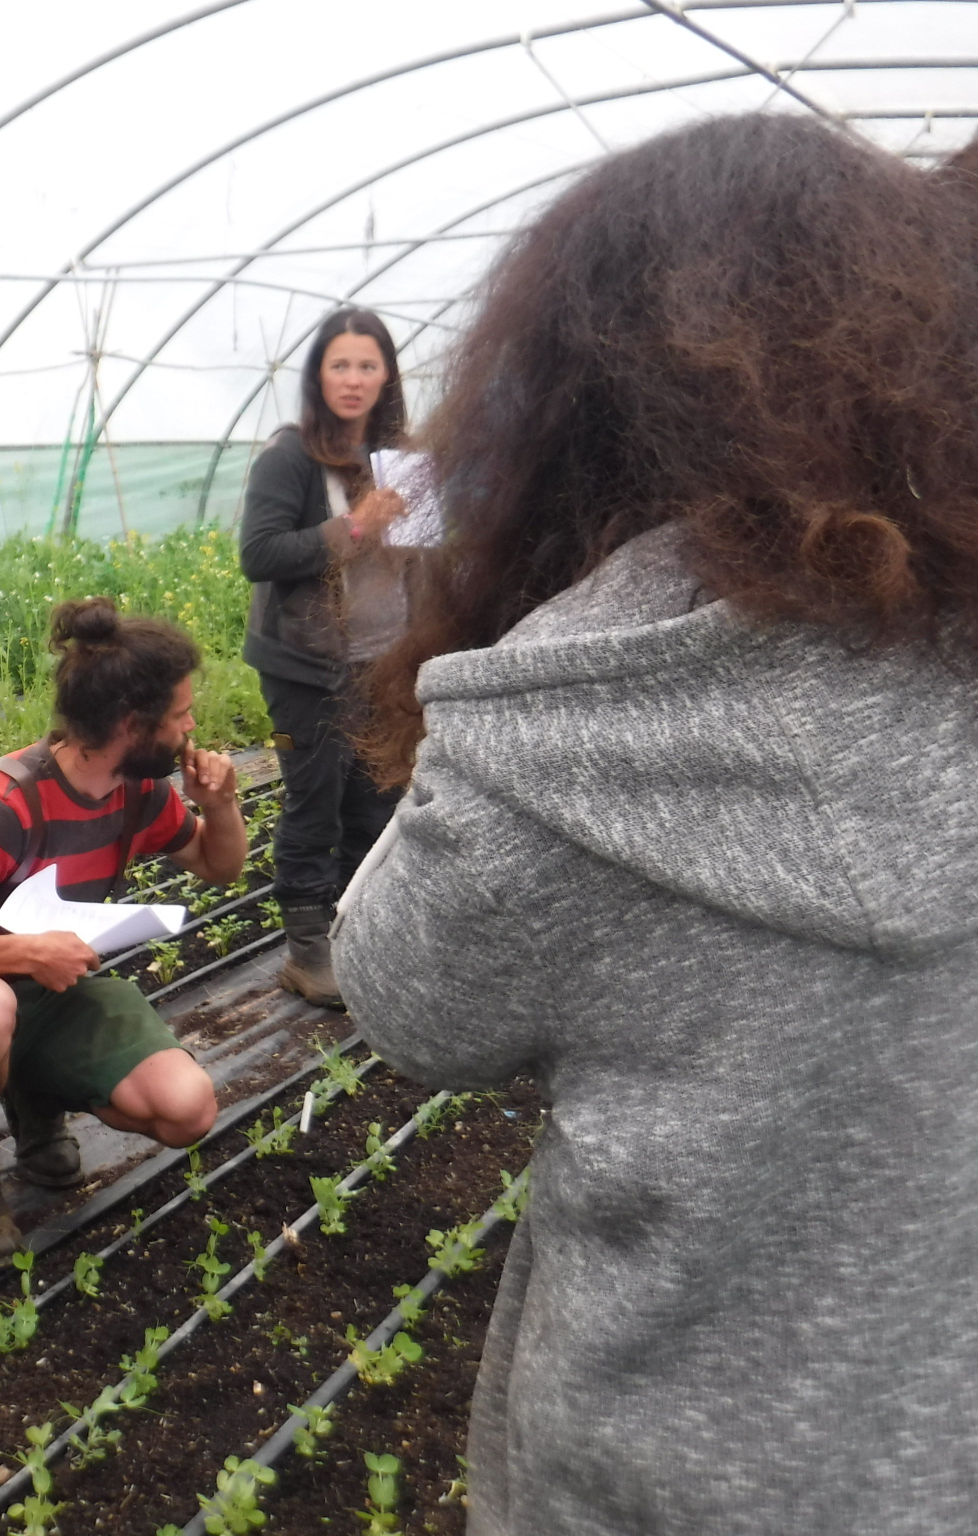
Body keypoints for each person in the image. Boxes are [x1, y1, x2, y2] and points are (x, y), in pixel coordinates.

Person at [337, 114, 978, 1535]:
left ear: (567, 403)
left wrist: (511, 650)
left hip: (662, 1474)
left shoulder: (568, 720)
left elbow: (405, 1001)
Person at [0, 598, 246, 1273]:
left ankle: (33, 1097)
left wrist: (219, 807)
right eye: (181, 715)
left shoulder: (140, 793)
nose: (193, 727)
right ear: (134, 726)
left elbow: (220, 868)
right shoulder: (5, 805)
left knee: (186, 1110)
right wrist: (21, 952)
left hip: (50, 990)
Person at [238, 307, 409, 1010]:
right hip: (307, 664)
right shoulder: (291, 457)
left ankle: (357, 938)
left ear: (387, 374)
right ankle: (308, 953)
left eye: (368, 365)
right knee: (317, 804)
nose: (354, 379)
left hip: (383, 660)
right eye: (340, 364)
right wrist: (360, 524)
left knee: (378, 801)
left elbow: (420, 556)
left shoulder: (401, 459)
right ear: (318, 375)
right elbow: (261, 553)